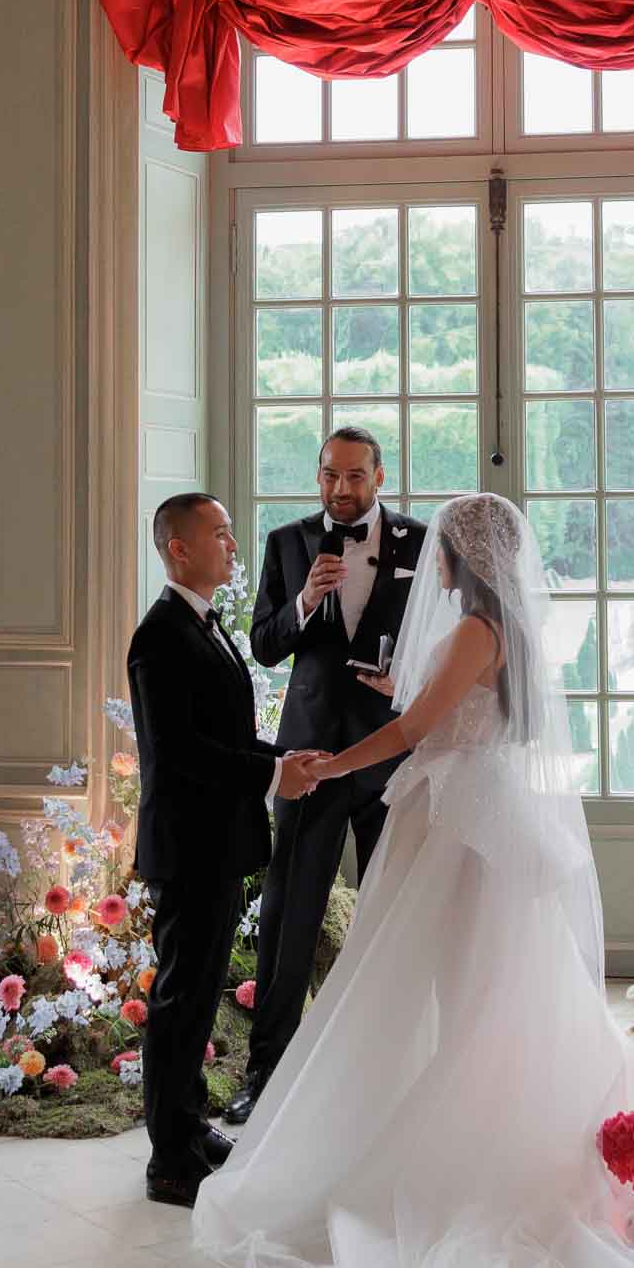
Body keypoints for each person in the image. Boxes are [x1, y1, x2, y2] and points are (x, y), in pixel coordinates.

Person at [194, 493, 634, 1268]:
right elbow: (447, 713)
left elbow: (414, 731)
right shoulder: (491, 626)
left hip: (461, 828)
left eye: (441, 545)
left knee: (466, 998)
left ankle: (476, 1157)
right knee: (473, 994)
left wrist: (325, 764)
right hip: (467, 809)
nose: (427, 559)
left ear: (464, 556)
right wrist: (409, 700)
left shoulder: (477, 627)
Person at [128, 493, 326, 1208]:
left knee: (196, 994)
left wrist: (281, 757)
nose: (233, 547)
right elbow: (180, 753)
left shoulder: (202, 625)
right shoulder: (160, 636)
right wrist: (273, 772)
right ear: (178, 548)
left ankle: (188, 1126)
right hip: (188, 847)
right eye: (218, 535)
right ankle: (168, 1160)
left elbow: (227, 734)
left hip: (216, 842)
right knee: (179, 1001)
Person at [225, 428, 426, 1126]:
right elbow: (264, 644)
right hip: (308, 759)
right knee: (288, 918)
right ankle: (265, 1074)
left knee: (393, 915)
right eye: (329, 476)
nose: (341, 489)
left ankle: (388, 1073)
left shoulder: (421, 541)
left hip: (392, 757)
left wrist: (406, 679)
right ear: (317, 477)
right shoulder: (287, 542)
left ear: (379, 475)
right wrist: (305, 601)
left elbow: (441, 641)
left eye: (354, 477)